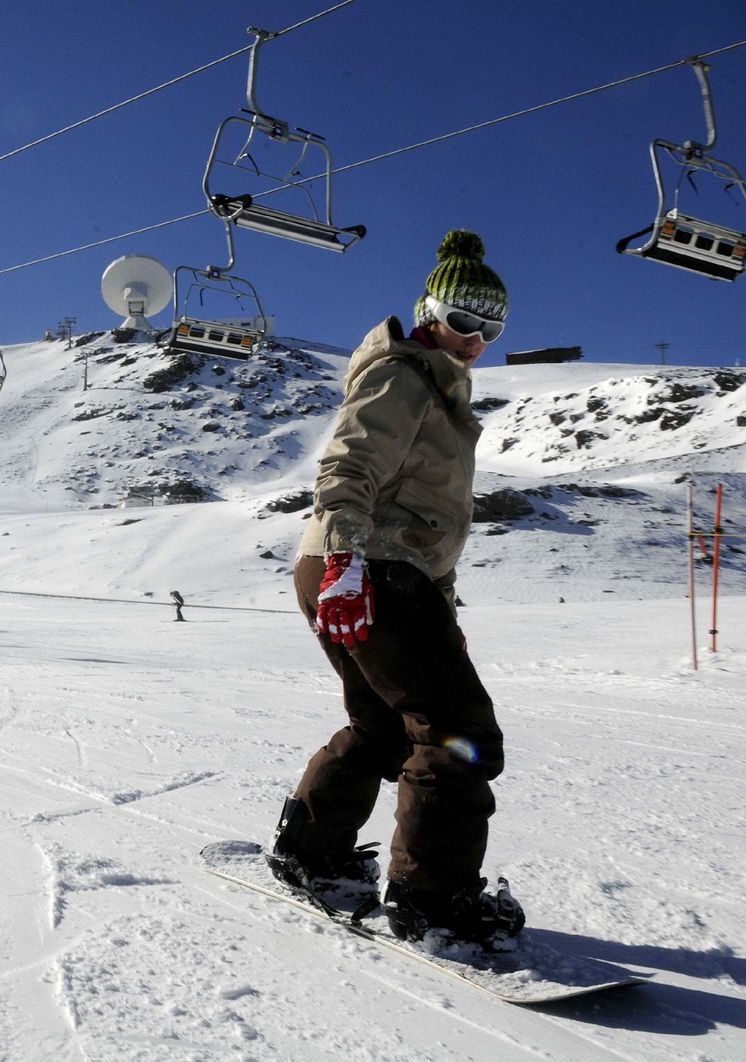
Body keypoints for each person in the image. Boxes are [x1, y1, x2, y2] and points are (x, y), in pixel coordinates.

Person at [268, 229, 525, 950]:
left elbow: (428, 519)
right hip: (371, 569)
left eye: (491, 327)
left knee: (383, 726)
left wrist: (439, 609)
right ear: (429, 310)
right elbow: (346, 466)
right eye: (463, 320)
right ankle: (432, 899)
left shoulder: (436, 385)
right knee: (458, 735)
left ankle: (311, 850)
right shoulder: (405, 375)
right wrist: (351, 563)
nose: (475, 338)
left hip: (361, 571)